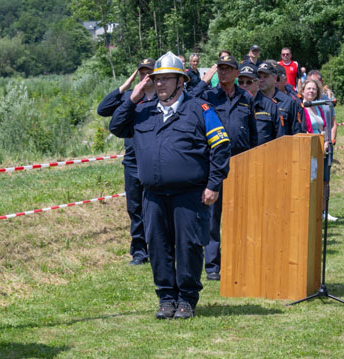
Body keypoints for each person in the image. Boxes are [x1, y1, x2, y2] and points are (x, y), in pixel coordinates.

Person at [109, 52, 231, 319]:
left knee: (188, 245)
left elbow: (221, 147)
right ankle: (166, 297)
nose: (159, 84)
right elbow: (115, 125)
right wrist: (133, 95)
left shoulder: (201, 110)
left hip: (189, 195)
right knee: (158, 245)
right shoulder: (142, 111)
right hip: (152, 195)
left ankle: (187, 299)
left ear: (181, 82)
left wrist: (213, 184)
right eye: (156, 79)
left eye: (166, 79)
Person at [193, 54, 257, 281]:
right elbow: (188, 100)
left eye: (228, 69)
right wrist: (203, 81)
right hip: (214, 164)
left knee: (241, 214)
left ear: (237, 73)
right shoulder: (208, 96)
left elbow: (252, 133)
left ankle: (239, 258)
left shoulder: (246, 98)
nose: (223, 72)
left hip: (241, 163)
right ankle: (212, 266)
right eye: (220, 69)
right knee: (212, 216)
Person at [96, 58, 155, 268]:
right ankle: (139, 252)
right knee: (135, 209)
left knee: (155, 208)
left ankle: (157, 248)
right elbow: (102, 110)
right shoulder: (130, 97)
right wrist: (127, 85)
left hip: (153, 161)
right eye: (141, 72)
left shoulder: (161, 99)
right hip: (132, 163)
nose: (145, 76)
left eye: (149, 72)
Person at [301, 78, 337, 220]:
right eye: (308, 88)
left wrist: (327, 141)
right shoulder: (300, 107)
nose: (311, 91)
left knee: (323, 181)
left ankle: (322, 211)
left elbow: (325, 126)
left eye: (314, 89)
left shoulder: (319, 107)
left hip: (322, 147)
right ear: (303, 91)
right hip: (308, 147)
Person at [239, 64, 282, 145]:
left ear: (257, 82)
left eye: (249, 82)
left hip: (264, 155)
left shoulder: (270, 106)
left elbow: (280, 137)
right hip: (239, 155)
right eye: (241, 82)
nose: (244, 85)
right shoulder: (233, 105)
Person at [257, 61, 303, 135]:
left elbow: (296, 131)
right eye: (259, 77)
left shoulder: (288, 102)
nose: (261, 80)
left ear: (275, 78)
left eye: (265, 76)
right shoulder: (254, 101)